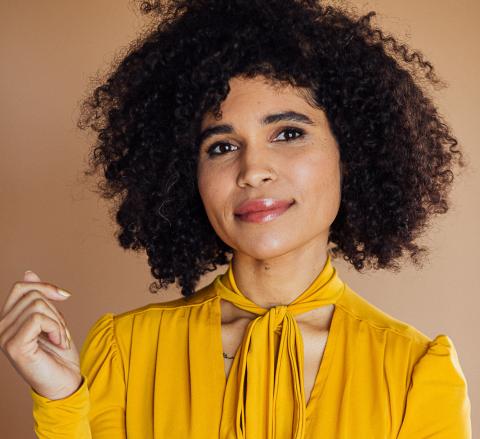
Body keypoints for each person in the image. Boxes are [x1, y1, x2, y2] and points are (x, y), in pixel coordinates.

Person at [0, 0, 472, 437]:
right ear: (189, 175)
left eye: (288, 133)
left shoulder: (415, 371)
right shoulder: (126, 350)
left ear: (352, 154)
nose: (253, 171)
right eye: (222, 146)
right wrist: (61, 399)